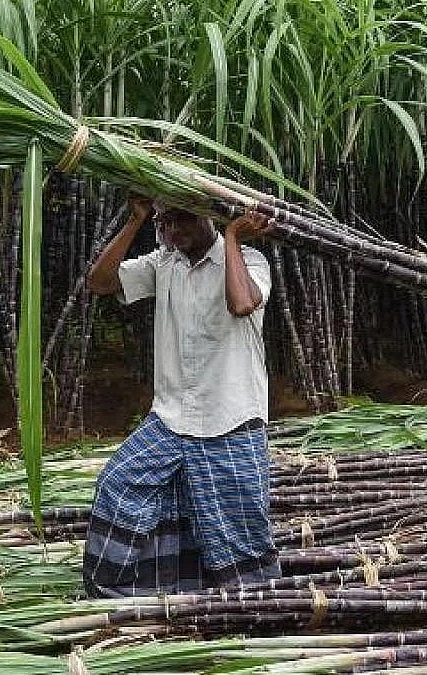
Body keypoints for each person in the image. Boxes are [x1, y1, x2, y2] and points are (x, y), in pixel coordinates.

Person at [81, 197, 281, 597]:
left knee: (239, 530)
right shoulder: (164, 263)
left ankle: (254, 608)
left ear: (208, 214)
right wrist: (136, 219)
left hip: (231, 419)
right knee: (118, 486)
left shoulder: (249, 261)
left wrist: (232, 237)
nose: (172, 232)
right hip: (172, 419)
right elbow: (99, 283)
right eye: (165, 223)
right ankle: (128, 596)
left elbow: (242, 304)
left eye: (182, 220)